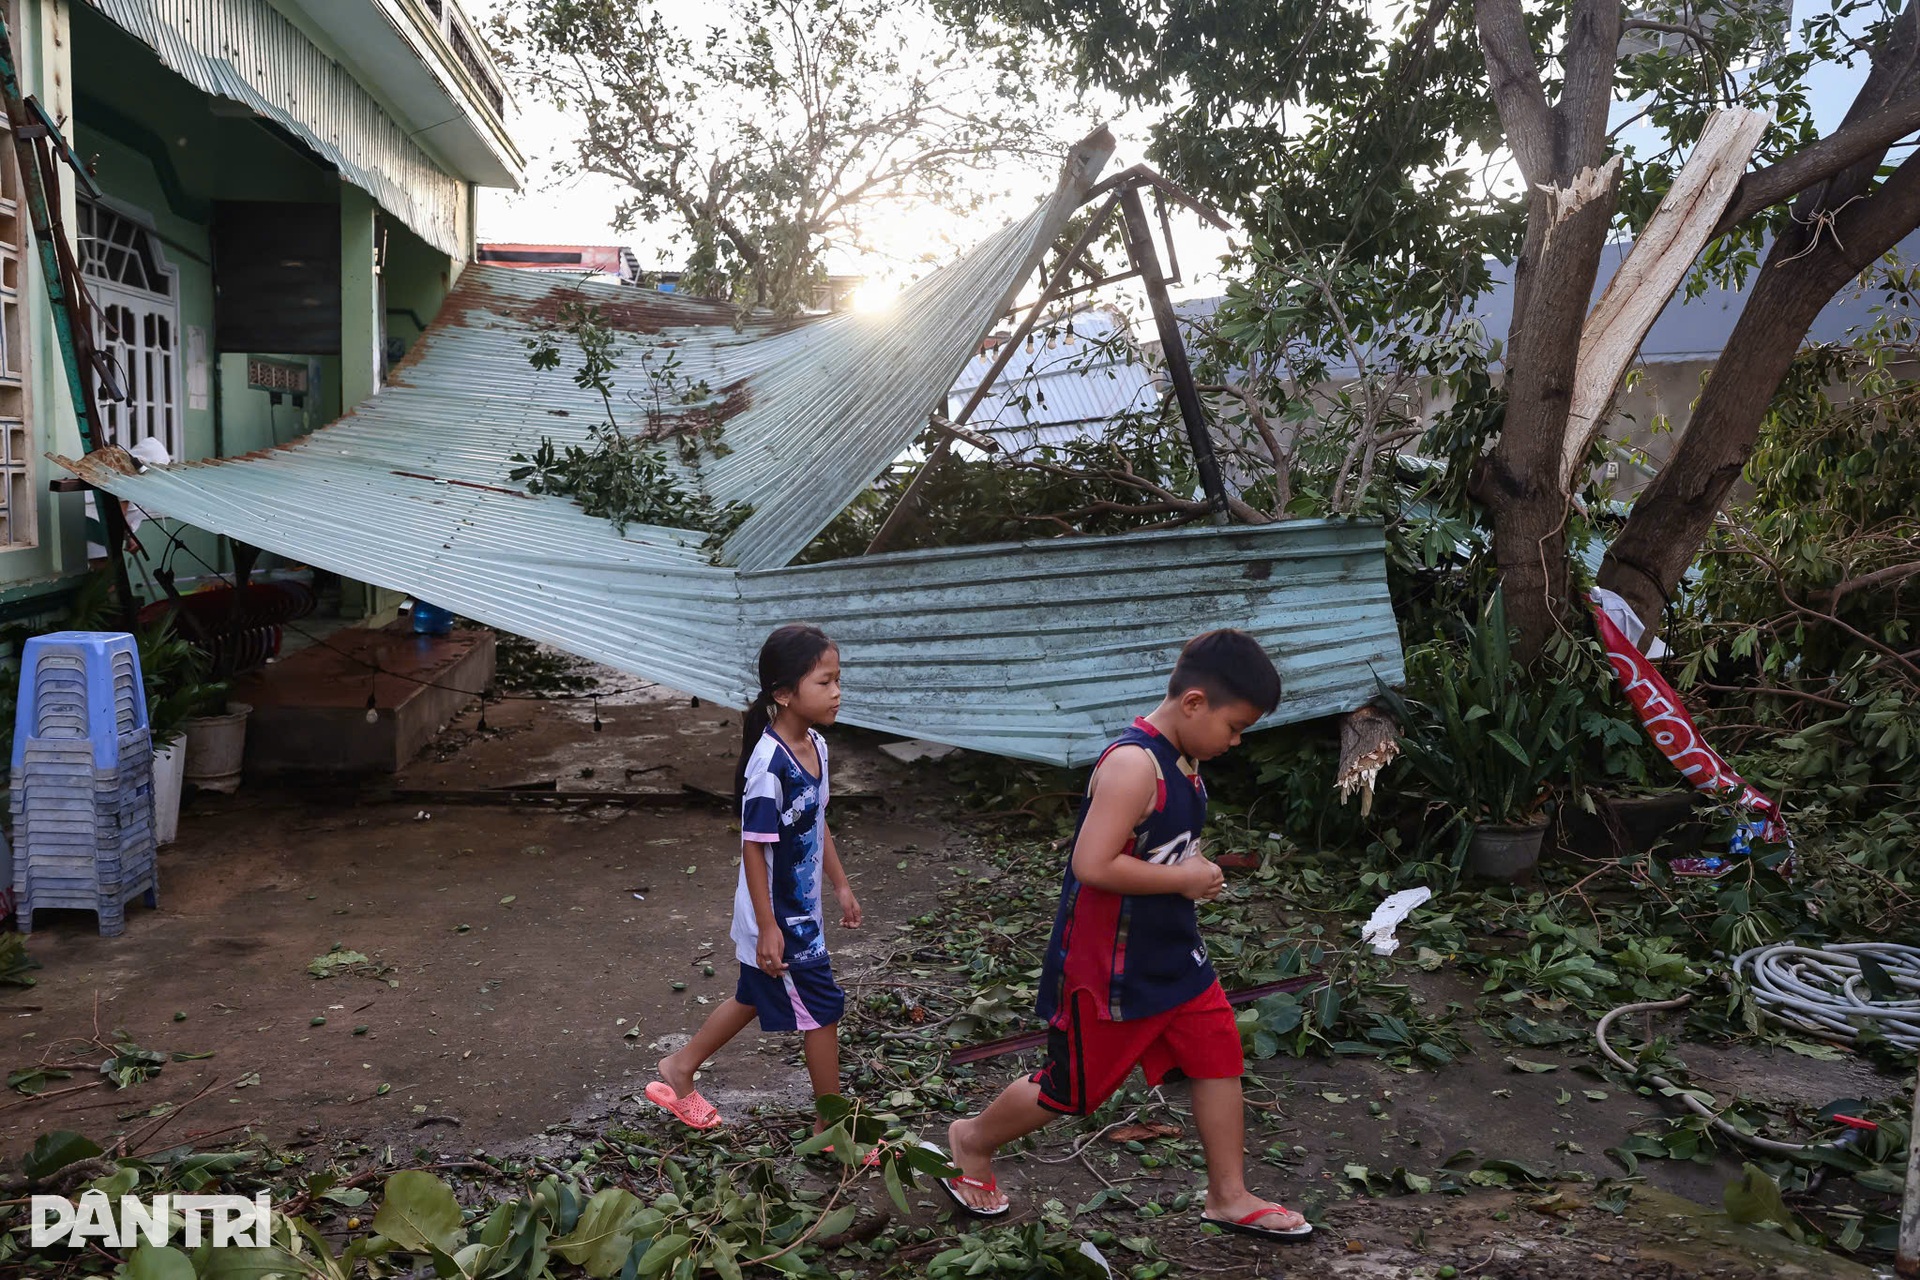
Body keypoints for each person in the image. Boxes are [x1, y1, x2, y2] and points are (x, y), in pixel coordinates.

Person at [931, 630, 1312, 1240]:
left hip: (1174, 955)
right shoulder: (1134, 764)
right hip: (1110, 969)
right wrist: (1182, 878)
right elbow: (1093, 865)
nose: (1236, 742)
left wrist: (1195, 871)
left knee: (1219, 1058)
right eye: (1234, 727)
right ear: (1193, 704)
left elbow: (1160, 849)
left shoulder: (1186, 760)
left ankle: (1229, 1196)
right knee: (1072, 1090)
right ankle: (970, 1141)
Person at [647, 624, 863, 1134]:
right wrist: (769, 928)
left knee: (752, 995)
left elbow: (817, 820)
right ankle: (830, 1129)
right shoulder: (768, 766)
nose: (837, 693)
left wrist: (841, 884)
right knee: (822, 1010)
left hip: (800, 909)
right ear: (784, 694)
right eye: (824, 682)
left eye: (838, 680)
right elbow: (753, 846)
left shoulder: (817, 747)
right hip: (780, 916)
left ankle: (678, 1068)